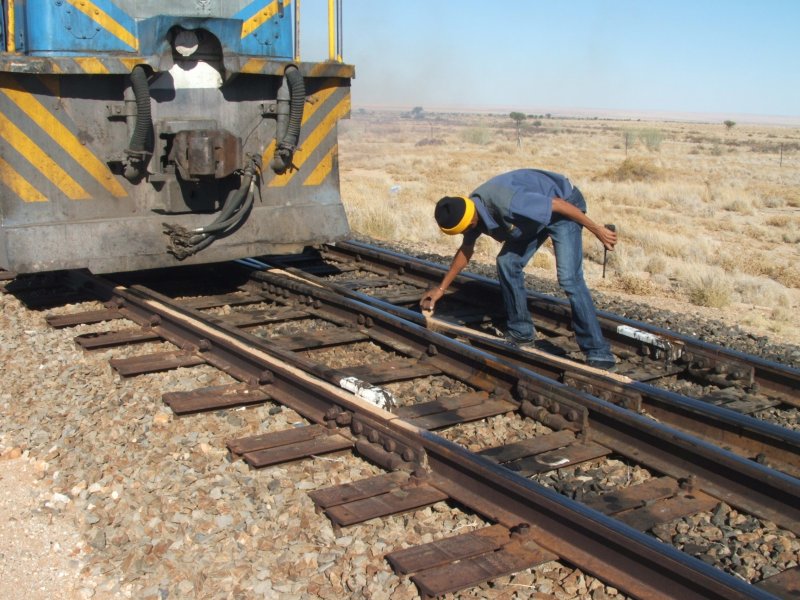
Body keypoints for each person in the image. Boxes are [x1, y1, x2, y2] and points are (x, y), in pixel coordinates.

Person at [420, 168, 618, 370]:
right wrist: (441, 289)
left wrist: (598, 231)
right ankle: (521, 332)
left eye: (465, 230)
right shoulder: (469, 211)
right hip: (533, 216)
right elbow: (466, 250)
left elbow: (558, 205)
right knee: (507, 263)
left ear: (471, 220)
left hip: (565, 205)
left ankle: (598, 352)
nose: (467, 233)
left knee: (569, 279)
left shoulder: (508, 204)